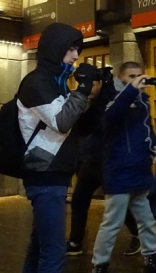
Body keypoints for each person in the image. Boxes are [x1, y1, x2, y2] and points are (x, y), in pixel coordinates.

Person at [17, 22, 98, 272]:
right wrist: (83, 88)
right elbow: (62, 122)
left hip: (53, 174)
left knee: (40, 244)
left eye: (78, 50)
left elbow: (77, 124)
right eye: (71, 48)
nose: (76, 55)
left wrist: (96, 94)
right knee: (53, 251)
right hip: (45, 175)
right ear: (55, 49)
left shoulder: (56, 82)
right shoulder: (37, 82)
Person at [90, 62, 156, 273]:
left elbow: (147, 129)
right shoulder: (110, 97)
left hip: (140, 170)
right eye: (131, 76)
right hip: (119, 170)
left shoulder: (143, 100)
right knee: (112, 223)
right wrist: (133, 89)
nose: (136, 79)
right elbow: (112, 115)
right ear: (120, 77)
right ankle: (100, 265)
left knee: (147, 220)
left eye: (139, 75)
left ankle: (152, 260)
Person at [66, 67, 141, 257]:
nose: (89, 88)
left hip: (109, 162)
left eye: (94, 83)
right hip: (89, 161)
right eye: (86, 84)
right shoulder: (80, 101)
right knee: (79, 201)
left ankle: (138, 234)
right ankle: (75, 242)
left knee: (118, 203)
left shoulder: (111, 100)